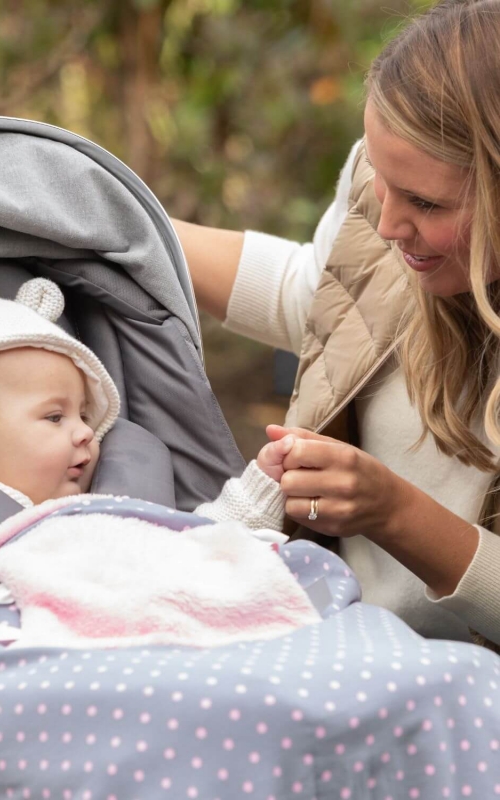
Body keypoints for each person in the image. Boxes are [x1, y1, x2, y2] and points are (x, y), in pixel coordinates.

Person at [172, 0, 500, 649]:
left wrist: (396, 512)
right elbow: (320, 297)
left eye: (427, 203)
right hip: (333, 640)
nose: (386, 226)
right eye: (379, 179)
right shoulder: (396, 204)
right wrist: (124, 225)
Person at [0, 278, 296, 644]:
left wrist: (259, 491)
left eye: (82, 414)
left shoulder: (100, 503)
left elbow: (192, 548)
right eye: (55, 417)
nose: (84, 432)